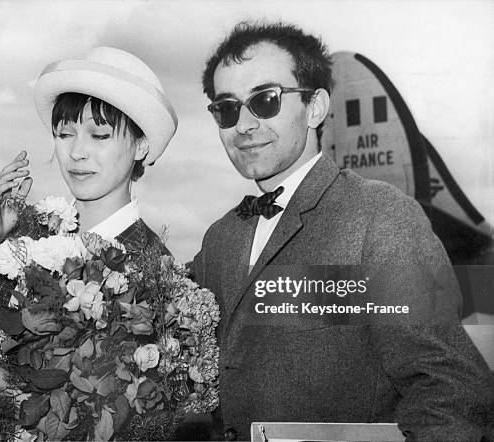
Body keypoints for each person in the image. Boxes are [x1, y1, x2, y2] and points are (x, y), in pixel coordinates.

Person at [192, 21, 494, 441]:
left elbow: (452, 392)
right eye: (227, 107)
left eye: (265, 100)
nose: (243, 124)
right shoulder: (219, 239)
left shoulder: (379, 218)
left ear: (315, 107)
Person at [0, 47, 177, 440]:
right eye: (64, 133)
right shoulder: (29, 235)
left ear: (141, 146)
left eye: (99, 135)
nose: (77, 152)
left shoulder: (157, 271)